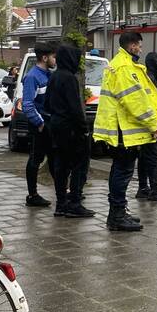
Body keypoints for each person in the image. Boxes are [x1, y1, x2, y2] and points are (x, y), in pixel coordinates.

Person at [93, 31, 157, 232]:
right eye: (139, 45)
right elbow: (134, 100)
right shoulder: (124, 67)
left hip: (122, 128)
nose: (140, 49)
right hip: (123, 129)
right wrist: (152, 124)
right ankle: (117, 215)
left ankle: (118, 212)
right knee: (122, 172)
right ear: (132, 45)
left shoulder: (123, 64)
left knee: (120, 170)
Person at [46, 43, 96, 218]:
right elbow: (75, 108)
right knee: (79, 165)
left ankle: (61, 204)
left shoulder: (54, 76)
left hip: (56, 126)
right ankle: (75, 202)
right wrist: (84, 129)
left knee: (61, 166)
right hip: (71, 129)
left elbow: (47, 103)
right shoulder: (69, 78)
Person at [22, 42, 57, 207]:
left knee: (54, 158)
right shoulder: (32, 77)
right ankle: (32, 195)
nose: (55, 60)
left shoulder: (49, 74)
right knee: (36, 159)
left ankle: (62, 190)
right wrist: (40, 123)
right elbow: (28, 104)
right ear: (44, 58)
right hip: (40, 124)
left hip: (48, 123)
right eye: (53, 57)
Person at [136, 51, 157, 203]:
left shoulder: (152, 77)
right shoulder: (151, 79)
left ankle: (143, 188)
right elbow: (148, 105)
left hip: (149, 125)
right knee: (152, 157)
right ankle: (154, 190)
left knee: (144, 157)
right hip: (150, 126)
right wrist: (154, 126)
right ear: (155, 65)